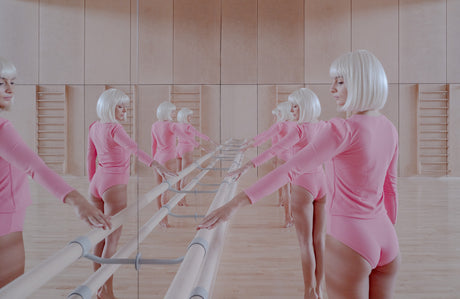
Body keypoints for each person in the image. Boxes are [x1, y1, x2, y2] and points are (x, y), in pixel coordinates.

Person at [198, 49, 399, 299]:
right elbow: (391, 188)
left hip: (352, 239)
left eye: (340, 81)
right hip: (387, 239)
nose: (332, 89)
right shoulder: (390, 128)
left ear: (361, 82)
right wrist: (382, 231)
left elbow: (289, 168)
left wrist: (235, 203)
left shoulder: (342, 129)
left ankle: (310, 290)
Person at [0, 56, 112, 288]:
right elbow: (34, 166)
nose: (10, 89)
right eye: (2, 83)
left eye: (13, 82)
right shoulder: (2, 129)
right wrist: (77, 200)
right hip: (5, 222)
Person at [228, 88, 328, 296]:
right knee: (319, 240)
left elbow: (273, 150)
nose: (292, 110)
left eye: (295, 105)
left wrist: (247, 166)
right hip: (323, 183)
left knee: (305, 242)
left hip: (304, 184)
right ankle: (319, 287)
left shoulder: (299, 130)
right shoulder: (324, 126)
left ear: (306, 106)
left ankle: (310, 290)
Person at [87, 89, 173, 299]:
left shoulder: (94, 127)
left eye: (125, 105)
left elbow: (91, 157)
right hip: (113, 184)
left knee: (99, 237)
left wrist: (93, 183)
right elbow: (135, 150)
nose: (125, 110)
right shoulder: (115, 129)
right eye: (120, 106)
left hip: (97, 183)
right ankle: (106, 290)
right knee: (112, 241)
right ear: (109, 107)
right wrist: (157, 166)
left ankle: (96, 286)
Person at [241, 101, 296, 214]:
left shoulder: (280, 125)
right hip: (293, 158)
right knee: (291, 188)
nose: (278, 115)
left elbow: (264, 137)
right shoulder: (295, 124)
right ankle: (288, 212)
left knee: (285, 188)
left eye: (279, 112)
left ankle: (288, 218)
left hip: (282, 158)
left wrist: (249, 145)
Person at [174, 108, 216, 205]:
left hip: (178, 149)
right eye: (190, 116)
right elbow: (199, 135)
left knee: (179, 175)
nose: (191, 118)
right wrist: (210, 141)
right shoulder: (188, 127)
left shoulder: (177, 126)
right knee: (185, 176)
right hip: (186, 150)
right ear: (185, 117)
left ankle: (178, 199)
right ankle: (182, 198)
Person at [151, 101, 179, 227]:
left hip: (157, 158)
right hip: (169, 159)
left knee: (159, 189)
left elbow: (153, 145)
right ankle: (164, 219)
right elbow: (185, 137)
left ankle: (160, 218)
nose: (175, 113)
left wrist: (153, 162)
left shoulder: (155, 125)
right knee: (166, 190)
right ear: (167, 112)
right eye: (173, 111)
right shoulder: (172, 125)